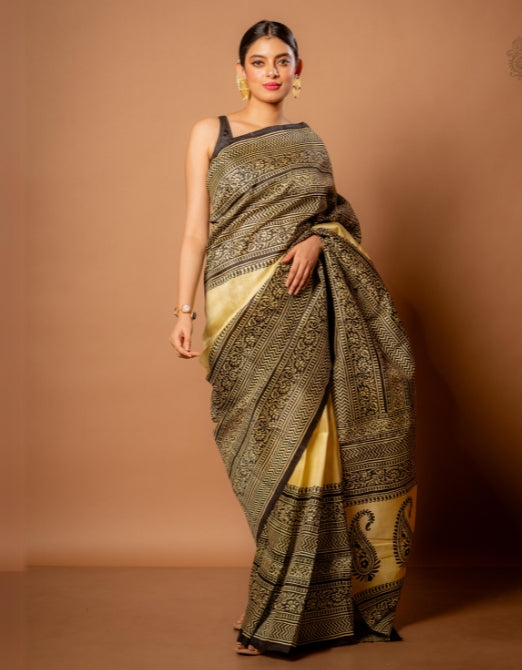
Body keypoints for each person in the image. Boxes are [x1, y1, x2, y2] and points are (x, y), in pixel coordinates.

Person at [169, 20, 417, 656]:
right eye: (259, 61)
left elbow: (335, 218)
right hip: (235, 312)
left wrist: (316, 240)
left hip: (300, 303)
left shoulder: (310, 142)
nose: (271, 72)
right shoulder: (210, 133)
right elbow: (196, 229)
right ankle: (285, 601)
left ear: (298, 71)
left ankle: (279, 614)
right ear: (241, 71)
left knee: (308, 448)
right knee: (265, 461)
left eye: (282, 61)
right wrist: (183, 309)